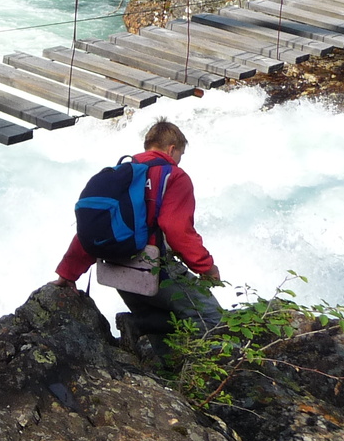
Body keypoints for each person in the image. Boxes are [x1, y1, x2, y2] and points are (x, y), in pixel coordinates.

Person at [53, 118, 222, 342]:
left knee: (160, 327)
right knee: (211, 318)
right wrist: (206, 268)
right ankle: (143, 326)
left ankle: (141, 325)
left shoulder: (119, 175)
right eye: (180, 155)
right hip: (152, 269)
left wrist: (67, 273)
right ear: (172, 149)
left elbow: (93, 227)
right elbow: (177, 229)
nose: (179, 161)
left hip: (118, 271)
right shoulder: (173, 176)